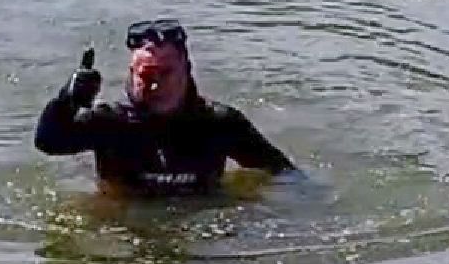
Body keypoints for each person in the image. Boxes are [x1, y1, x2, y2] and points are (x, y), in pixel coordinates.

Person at [34, 20, 294, 197]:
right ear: (132, 74)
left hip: (198, 215)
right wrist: (67, 101)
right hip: (126, 215)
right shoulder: (112, 121)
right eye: (146, 76)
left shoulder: (219, 123)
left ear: (186, 71)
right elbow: (48, 142)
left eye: (166, 73)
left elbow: (283, 172)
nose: (155, 85)